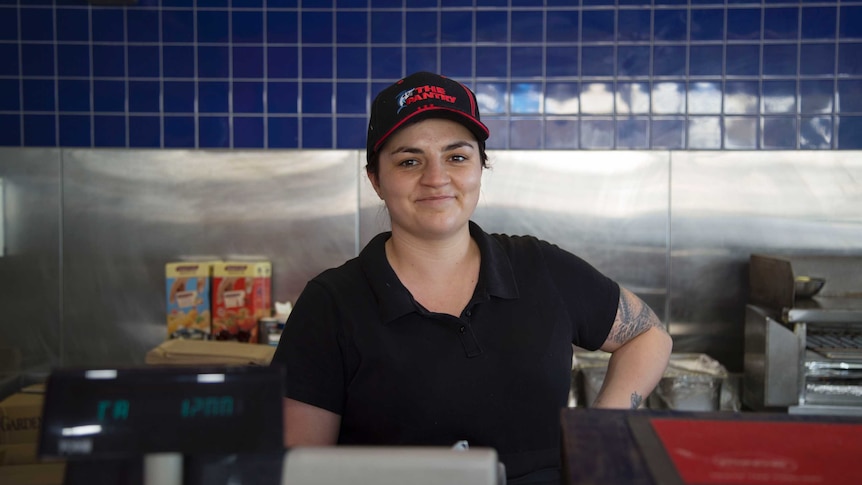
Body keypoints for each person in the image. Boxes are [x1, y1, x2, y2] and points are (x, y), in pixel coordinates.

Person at [270, 71, 673, 484]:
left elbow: (648, 334)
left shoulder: (539, 267)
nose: (436, 178)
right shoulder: (331, 304)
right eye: (409, 161)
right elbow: (301, 470)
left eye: (457, 157)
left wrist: (598, 434)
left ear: (482, 166)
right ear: (376, 180)